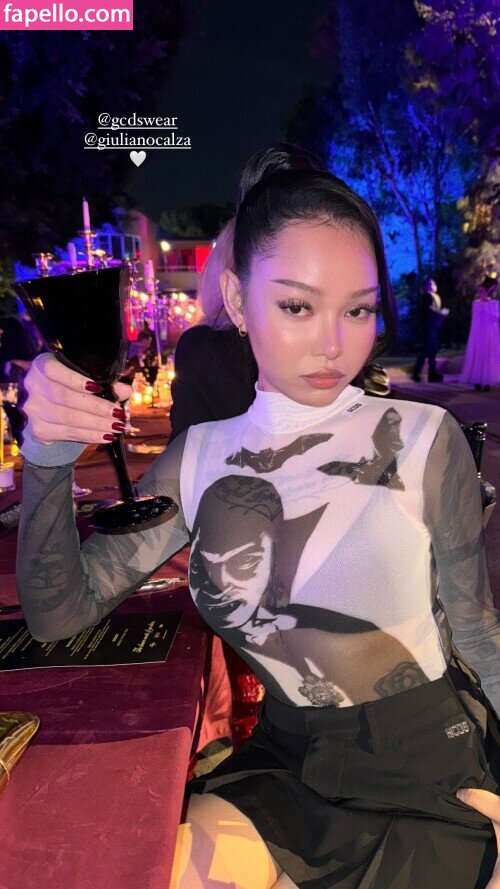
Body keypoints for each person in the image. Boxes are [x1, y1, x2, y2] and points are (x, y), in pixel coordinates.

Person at [17, 150, 500, 888]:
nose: (334, 344)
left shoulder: (423, 438)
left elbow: (475, 629)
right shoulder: (198, 457)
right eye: (298, 306)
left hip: (427, 765)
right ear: (238, 301)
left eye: (358, 309)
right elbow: (58, 615)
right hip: (289, 762)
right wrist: (46, 454)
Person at [459, 278, 500, 392]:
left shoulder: (494, 304)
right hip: (478, 334)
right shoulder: (476, 304)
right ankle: (477, 380)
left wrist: (487, 305)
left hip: (490, 334)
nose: (479, 293)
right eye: (479, 291)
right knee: (478, 356)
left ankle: (487, 381)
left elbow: (495, 318)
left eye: (482, 291)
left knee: (488, 356)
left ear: (488, 292)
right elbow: (475, 319)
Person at [412, 278, 450, 383]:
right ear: (428, 286)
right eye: (433, 284)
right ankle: (418, 373)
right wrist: (440, 313)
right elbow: (430, 310)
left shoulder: (433, 296)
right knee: (427, 349)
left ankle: (431, 373)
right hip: (429, 327)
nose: (435, 285)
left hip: (432, 326)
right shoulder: (427, 296)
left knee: (432, 350)